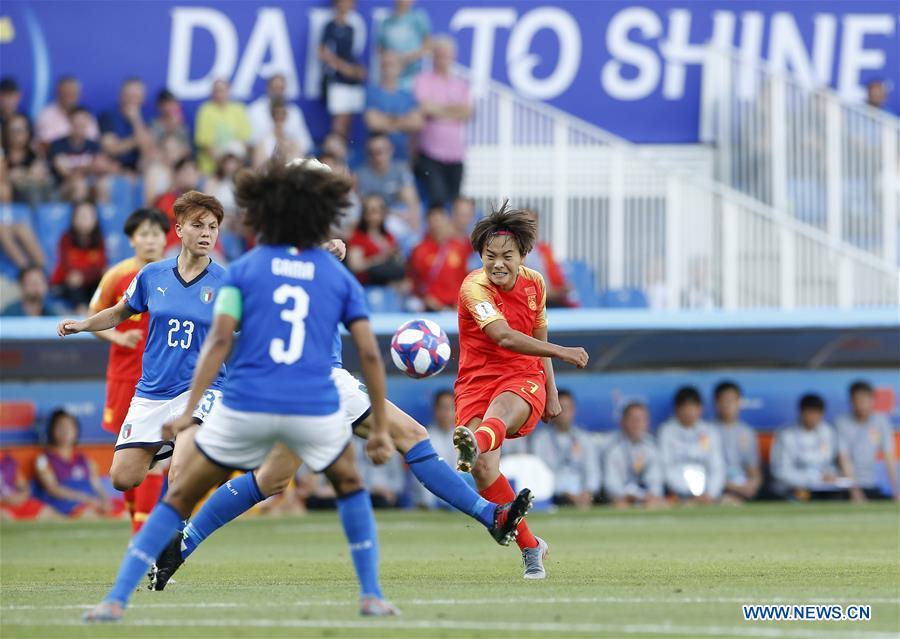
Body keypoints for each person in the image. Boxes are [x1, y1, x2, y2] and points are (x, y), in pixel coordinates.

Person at [147, 171, 531, 591]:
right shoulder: (321, 264)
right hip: (321, 379)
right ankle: (489, 516)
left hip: (274, 386)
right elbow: (365, 349)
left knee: (272, 478)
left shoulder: (257, 260)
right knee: (411, 435)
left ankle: (181, 545)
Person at [82, 158, 404, 622]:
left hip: (247, 401)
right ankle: (371, 594)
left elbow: (217, 342)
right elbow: (370, 354)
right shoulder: (334, 274)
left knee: (179, 495)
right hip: (309, 399)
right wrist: (376, 426)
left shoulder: (245, 270)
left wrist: (189, 408)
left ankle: (115, 599)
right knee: (350, 485)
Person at [451, 203, 589, 579]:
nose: (498, 264)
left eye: (506, 256)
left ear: (523, 256)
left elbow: (536, 335)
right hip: (475, 380)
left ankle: (475, 441)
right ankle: (531, 547)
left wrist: (553, 389)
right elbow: (504, 336)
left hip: (521, 375)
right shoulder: (473, 286)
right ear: (480, 256)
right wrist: (563, 352)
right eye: (489, 256)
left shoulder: (535, 283)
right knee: (483, 470)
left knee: (499, 413)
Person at [57, 191, 226, 497]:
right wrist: (83, 324)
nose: (206, 233)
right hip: (154, 390)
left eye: (213, 227)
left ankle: (176, 539)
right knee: (122, 478)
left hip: (200, 390)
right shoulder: (152, 275)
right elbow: (120, 311)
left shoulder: (227, 282)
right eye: (198, 225)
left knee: (179, 477)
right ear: (179, 230)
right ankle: (171, 445)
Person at [88, 207, 170, 533]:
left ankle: (142, 540)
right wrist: (118, 336)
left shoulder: (176, 273)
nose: (150, 240)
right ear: (132, 239)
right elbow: (95, 317)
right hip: (125, 378)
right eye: (144, 234)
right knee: (130, 459)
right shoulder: (117, 276)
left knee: (156, 457)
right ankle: (141, 536)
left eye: (156, 233)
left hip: (164, 379)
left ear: (167, 237)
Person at [413, 35, 472, 207]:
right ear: (433, 57)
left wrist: (438, 110)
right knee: (436, 200)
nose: (443, 59)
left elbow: (467, 111)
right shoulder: (423, 79)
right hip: (430, 153)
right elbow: (425, 108)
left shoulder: (460, 83)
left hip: (455, 154)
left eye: (446, 55)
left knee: (455, 202)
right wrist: (453, 110)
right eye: (439, 54)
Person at [33, 410, 117, 518]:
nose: (66, 431)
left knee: (122, 512)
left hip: (91, 502)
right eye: (61, 427)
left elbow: (97, 485)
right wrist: (85, 499)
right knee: (88, 515)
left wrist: (105, 500)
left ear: (76, 431)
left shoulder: (85, 459)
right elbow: (52, 488)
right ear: (52, 430)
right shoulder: (42, 459)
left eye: (70, 427)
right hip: (65, 504)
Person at [530, 390, 600, 508]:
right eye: (561, 407)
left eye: (568, 408)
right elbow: (540, 473)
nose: (564, 412)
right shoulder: (540, 440)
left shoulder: (584, 439)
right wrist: (563, 493)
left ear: (574, 410)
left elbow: (592, 470)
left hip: (583, 497)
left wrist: (588, 492)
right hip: (554, 496)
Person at [657, 386, 725, 503]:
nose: (689, 412)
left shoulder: (710, 431)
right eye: (685, 407)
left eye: (692, 407)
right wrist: (688, 493)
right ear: (677, 409)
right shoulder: (666, 431)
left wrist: (710, 493)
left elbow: (717, 467)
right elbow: (666, 467)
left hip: (708, 497)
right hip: (678, 496)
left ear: (700, 409)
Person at [770, 394, 844, 500]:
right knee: (803, 496)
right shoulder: (786, 435)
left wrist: (831, 475)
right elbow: (780, 472)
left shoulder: (828, 432)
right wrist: (814, 478)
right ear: (801, 412)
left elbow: (830, 464)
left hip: (824, 489)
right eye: (810, 412)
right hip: (794, 488)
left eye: (817, 413)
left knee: (839, 497)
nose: (813, 417)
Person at [835, 380, 898, 501]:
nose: (861, 404)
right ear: (851, 402)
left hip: (870, 484)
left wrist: (896, 490)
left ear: (872, 400)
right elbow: (843, 458)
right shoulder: (841, 423)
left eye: (864, 400)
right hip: (845, 487)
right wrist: (854, 490)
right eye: (857, 400)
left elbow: (889, 457)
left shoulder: (881, 421)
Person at [355, 133, 421, 238]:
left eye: (380, 151)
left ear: (391, 149)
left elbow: (412, 201)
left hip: (399, 214)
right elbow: (366, 208)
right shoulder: (361, 175)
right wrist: (391, 213)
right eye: (372, 152)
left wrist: (414, 219)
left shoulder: (401, 169)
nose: (377, 156)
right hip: (378, 219)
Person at [319, 0, 367, 138]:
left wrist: (356, 71)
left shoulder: (356, 25)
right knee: (339, 122)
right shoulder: (330, 26)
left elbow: (359, 53)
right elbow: (323, 52)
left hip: (353, 79)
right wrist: (344, 68)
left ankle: (344, 153)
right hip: (337, 79)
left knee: (348, 120)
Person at [603, 401, 666, 508]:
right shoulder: (612, 447)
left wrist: (651, 495)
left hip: (646, 497)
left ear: (647, 422)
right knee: (619, 504)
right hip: (621, 497)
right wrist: (626, 495)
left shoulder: (652, 447)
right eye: (633, 419)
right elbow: (611, 484)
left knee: (658, 503)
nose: (637, 424)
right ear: (622, 421)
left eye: (641, 419)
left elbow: (655, 479)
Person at [407, 206, 470, 311]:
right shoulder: (419, 250)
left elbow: (465, 278)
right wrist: (426, 299)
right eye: (434, 221)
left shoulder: (460, 248)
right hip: (430, 307)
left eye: (441, 220)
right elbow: (414, 281)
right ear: (428, 224)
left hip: (456, 307)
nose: (438, 225)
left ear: (447, 222)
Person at [364, 51, 423, 161]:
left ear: (400, 68)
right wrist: (403, 122)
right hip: (376, 159)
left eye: (392, 65)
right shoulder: (372, 92)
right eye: (385, 65)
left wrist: (386, 121)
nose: (388, 69)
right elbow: (373, 123)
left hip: (402, 157)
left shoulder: (408, 96)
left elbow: (416, 123)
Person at [50, 200, 106, 313]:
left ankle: (97, 312)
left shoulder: (99, 239)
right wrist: (79, 276)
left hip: (88, 281)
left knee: (103, 282)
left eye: (88, 216)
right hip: (68, 284)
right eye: (81, 216)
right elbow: (66, 266)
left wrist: (84, 276)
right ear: (73, 219)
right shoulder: (66, 238)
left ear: (95, 219)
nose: (85, 219)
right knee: (74, 282)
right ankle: (81, 311)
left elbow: (100, 267)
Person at [713, 381, 761, 502]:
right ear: (717, 404)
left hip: (743, 488)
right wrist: (732, 487)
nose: (728, 405)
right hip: (717, 486)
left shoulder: (747, 432)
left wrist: (752, 485)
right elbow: (707, 470)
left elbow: (753, 469)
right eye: (725, 400)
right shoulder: (707, 431)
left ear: (740, 402)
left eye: (733, 400)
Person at [346, 194, 406, 287]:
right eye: (369, 211)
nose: (374, 215)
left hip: (388, 287)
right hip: (367, 286)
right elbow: (355, 266)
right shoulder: (358, 237)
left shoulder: (389, 236)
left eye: (377, 211)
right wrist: (379, 259)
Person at [194, 79, 251, 175]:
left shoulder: (239, 109)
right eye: (216, 91)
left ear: (229, 91)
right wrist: (224, 165)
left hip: (236, 164)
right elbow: (205, 144)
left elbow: (244, 140)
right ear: (212, 93)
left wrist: (233, 164)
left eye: (222, 90)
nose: (219, 94)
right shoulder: (205, 111)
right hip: (212, 169)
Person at [247, 73, 312, 155]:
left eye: (281, 89)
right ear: (268, 88)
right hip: (265, 155)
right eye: (275, 88)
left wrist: (287, 144)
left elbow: (305, 143)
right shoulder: (255, 110)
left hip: (290, 155)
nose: (277, 92)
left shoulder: (294, 111)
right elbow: (251, 141)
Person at [47, 107, 103, 200]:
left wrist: (84, 170)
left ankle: (104, 214)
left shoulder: (94, 146)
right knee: (78, 184)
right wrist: (88, 169)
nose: (80, 126)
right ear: (70, 122)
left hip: (89, 184)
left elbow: (99, 167)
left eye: (83, 123)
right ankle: (80, 213)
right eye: (77, 122)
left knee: (102, 185)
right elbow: (65, 172)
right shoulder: (58, 144)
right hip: (63, 187)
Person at [523, 209, 575, 307]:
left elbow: (557, 279)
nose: (530, 228)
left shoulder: (545, 250)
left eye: (533, 223)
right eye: (526, 223)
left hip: (551, 299)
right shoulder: (514, 253)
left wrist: (562, 289)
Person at [99, 78, 152, 172]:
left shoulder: (145, 119)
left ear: (143, 99)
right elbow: (111, 149)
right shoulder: (108, 116)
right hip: (114, 167)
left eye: (136, 97)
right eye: (129, 96)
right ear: (121, 96)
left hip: (138, 169)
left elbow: (147, 150)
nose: (132, 100)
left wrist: (136, 121)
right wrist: (136, 140)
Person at [377, 0, 431, 89]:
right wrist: (392, 62)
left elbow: (427, 46)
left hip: (413, 76)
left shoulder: (419, 18)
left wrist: (404, 58)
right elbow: (380, 49)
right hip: (390, 79)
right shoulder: (385, 22)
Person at [153, 157, 202, 252]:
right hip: (172, 249)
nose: (191, 176)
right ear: (177, 175)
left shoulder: (204, 201)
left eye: (194, 172)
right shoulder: (166, 199)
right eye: (187, 172)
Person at [3, 113, 53, 205]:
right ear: (6, 133)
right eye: (13, 130)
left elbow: (40, 175)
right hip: (11, 195)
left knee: (46, 187)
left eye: (21, 130)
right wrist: (27, 174)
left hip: (34, 192)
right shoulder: (3, 153)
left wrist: (22, 175)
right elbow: (6, 177)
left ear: (28, 132)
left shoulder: (34, 152)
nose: (17, 134)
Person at [35, 76, 99, 148]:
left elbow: (93, 140)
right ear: (58, 92)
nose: (69, 96)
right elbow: (43, 142)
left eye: (72, 92)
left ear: (79, 94)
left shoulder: (87, 115)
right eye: (66, 92)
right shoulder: (46, 115)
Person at [251, 98, 310, 169]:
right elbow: (257, 168)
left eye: (282, 115)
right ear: (272, 117)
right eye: (276, 115)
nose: (279, 118)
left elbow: (300, 166)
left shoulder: (294, 143)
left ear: (286, 116)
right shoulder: (263, 143)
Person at [0, 453, 49, 520]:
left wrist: (21, 497)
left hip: (17, 503)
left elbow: (23, 486)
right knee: (4, 516)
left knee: (49, 513)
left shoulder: (7, 461)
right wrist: (4, 499)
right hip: (2, 506)